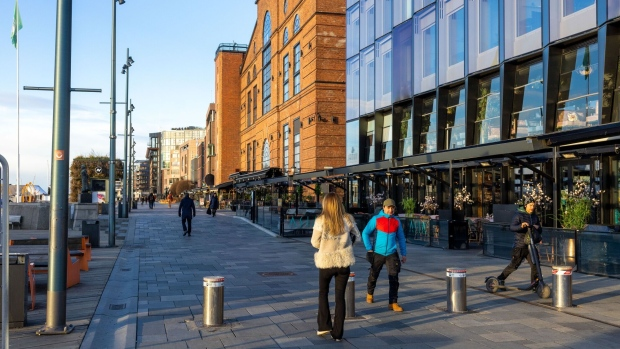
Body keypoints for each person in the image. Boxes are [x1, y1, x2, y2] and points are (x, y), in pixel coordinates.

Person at [311, 193, 360, 342]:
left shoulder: (321, 220)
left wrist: (324, 247)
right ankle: (338, 333)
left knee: (323, 293)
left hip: (326, 261)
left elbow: (314, 242)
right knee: (340, 297)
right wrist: (347, 245)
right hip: (343, 261)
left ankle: (324, 325)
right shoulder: (348, 219)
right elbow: (358, 236)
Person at [362, 198, 407, 312]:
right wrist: (369, 249)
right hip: (377, 252)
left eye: (393, 208)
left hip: (392, 253)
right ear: (384, 208)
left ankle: (393, 302)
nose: (391, 210)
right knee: (373, 274)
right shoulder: (376, 219)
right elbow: (365, 233)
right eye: (389, 207)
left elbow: (401, 238)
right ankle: (370, 293)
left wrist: (403, 253)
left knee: (394, 278)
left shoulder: (396, 221)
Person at [493, 201, 542, 289]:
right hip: (520, 245)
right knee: (514, 265)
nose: (532, 207)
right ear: (525, 205)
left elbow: (539, 229)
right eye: (530, 205)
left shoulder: (534, 216)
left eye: (533, 205)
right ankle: (500, 278)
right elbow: (512, 227)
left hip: (530, 244)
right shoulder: (518, 215)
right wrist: (521, 226)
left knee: (535, 264)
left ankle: (535, 284)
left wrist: (537, 229)